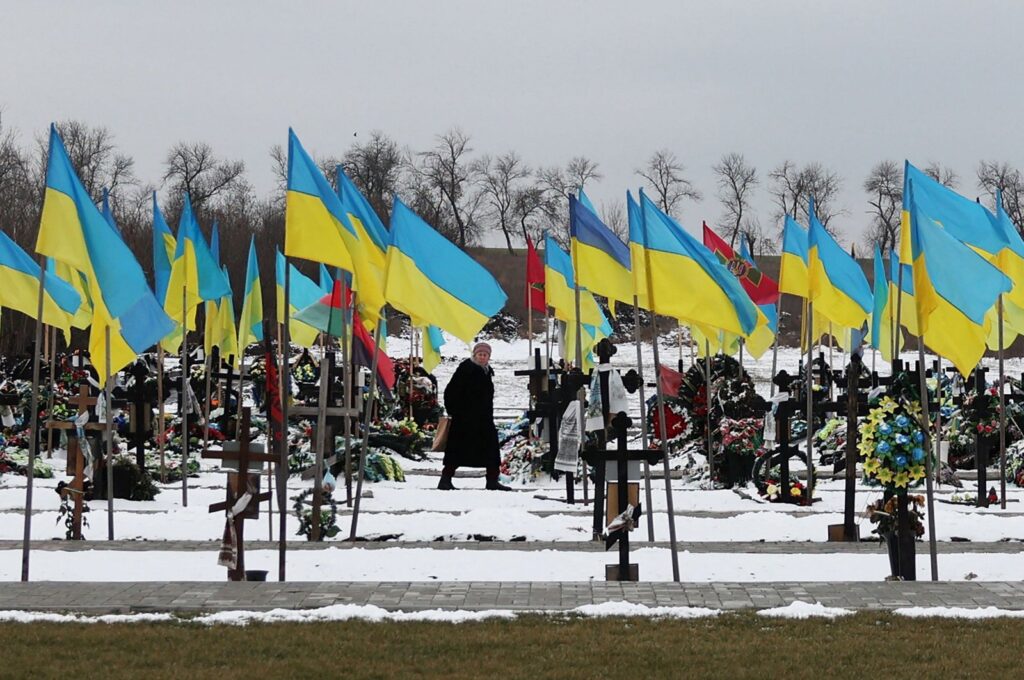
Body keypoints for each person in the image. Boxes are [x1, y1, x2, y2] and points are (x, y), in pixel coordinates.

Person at [439, 341, 510, 491]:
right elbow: (450, 392)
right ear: (475, 355)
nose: (482, 357)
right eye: (480, 354)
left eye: (485, 355)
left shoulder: (487, 371)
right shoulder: (466, 369)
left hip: (483, 419)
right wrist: (455, 411)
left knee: (491, 450)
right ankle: (445, 479)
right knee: (457, 451)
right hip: (464, 420)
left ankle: (492, 480)